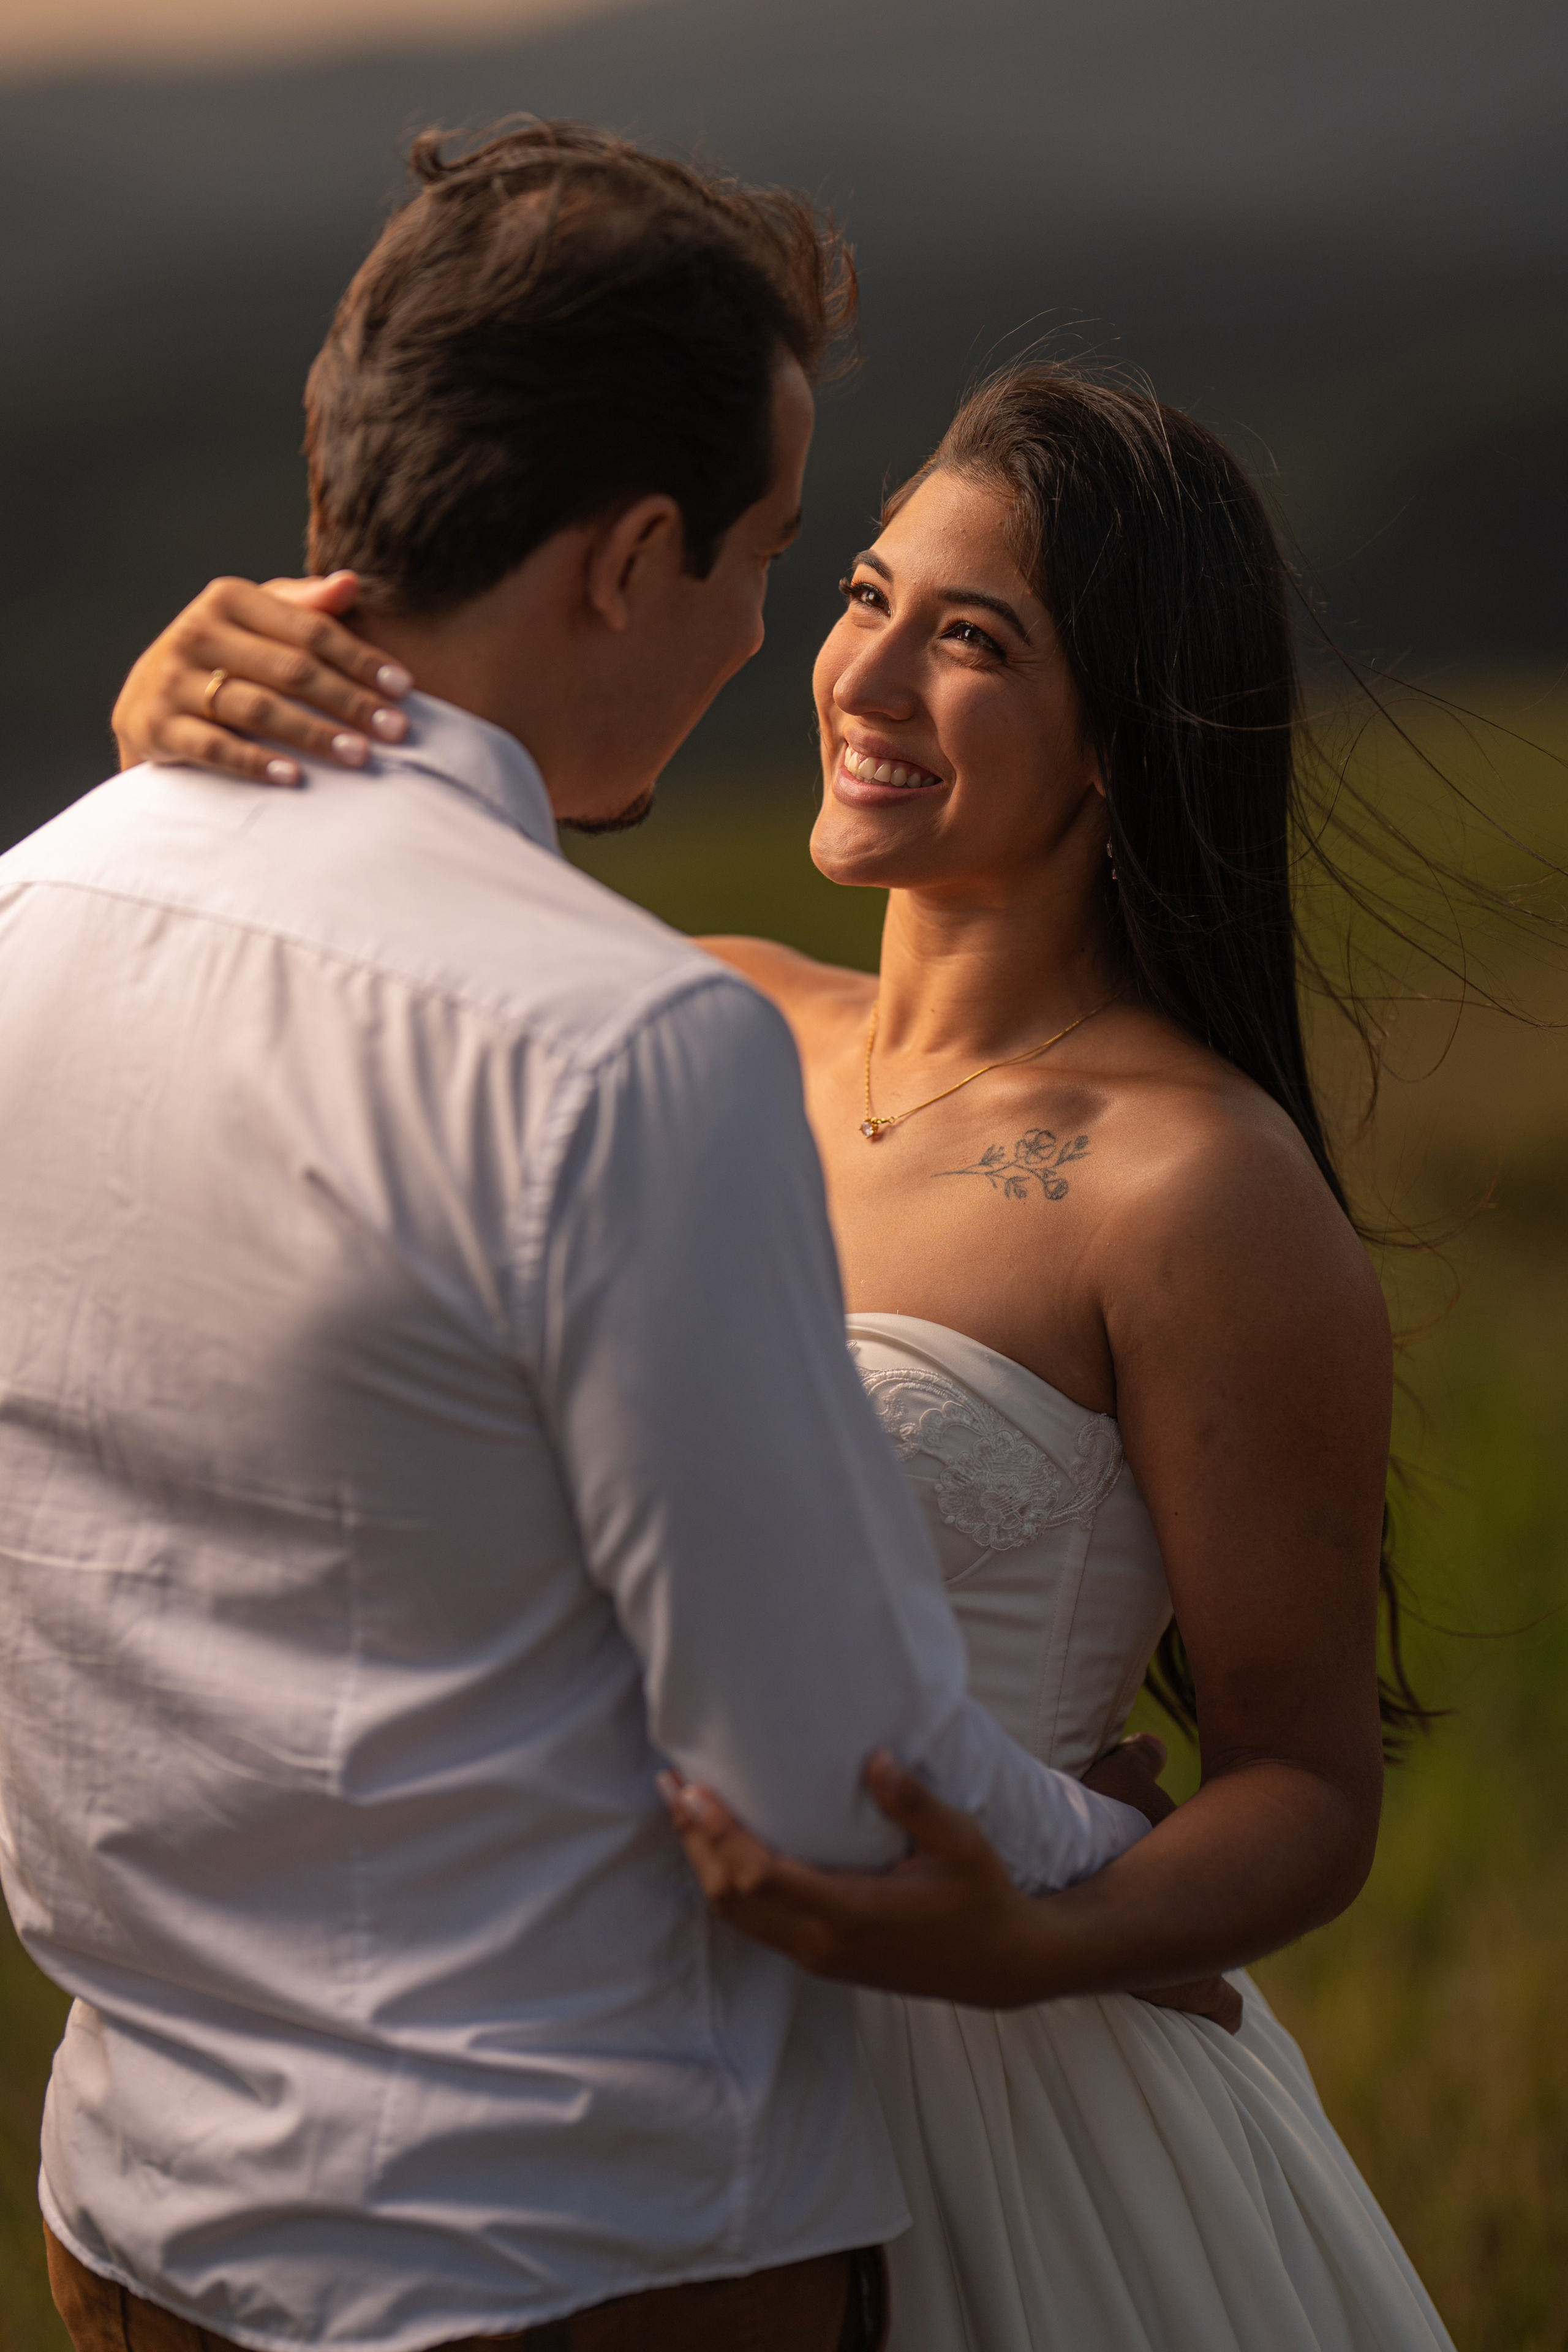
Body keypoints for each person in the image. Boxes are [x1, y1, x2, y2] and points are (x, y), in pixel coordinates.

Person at [122, 356, 1460, 2350]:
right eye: (860, 597)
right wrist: (187, 717)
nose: (868, 677)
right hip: (593, 2056)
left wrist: (1034, 1934)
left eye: (976, 638)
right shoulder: (697, 1011)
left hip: (998, 2119)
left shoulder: (1195, 1189)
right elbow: (344, 968)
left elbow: (1302, 1786)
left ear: (1126, 728)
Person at [0, 127, 1191, 2352]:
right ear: (635, 557)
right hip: (560, 2251)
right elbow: (828, 1762)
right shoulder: (623, 1045)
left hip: (132, 2219)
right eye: (771, 562)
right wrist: (1116, 1867)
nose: (777, 637)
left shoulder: (33, 908)